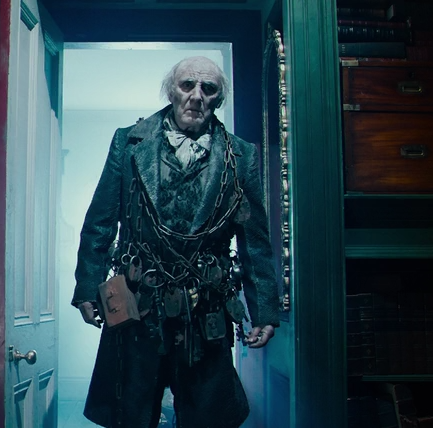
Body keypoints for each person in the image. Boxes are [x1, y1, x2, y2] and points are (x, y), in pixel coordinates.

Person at [71, 56, 280, 428]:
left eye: (208, 89)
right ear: (172, 90)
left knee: (206, 416)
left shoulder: (241, 156)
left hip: (206, 306)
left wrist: (263, 310)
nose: (196, 96)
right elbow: (100, 222)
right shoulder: (129, 142)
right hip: (138, 302)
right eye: (187, 85)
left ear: (218, 99)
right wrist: (88, 286)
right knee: (131, 414)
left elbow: (256, 241)